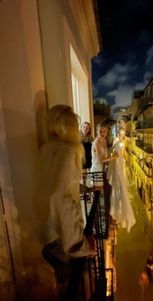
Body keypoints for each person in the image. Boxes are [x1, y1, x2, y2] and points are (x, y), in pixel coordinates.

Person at [34, 104, 95, 298]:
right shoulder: (68, 152)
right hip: (62, 243)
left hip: (48, 235)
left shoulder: (46, 149)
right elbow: (61, 198)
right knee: (78, 291)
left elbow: (52, 188)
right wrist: (78, 245)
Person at [107, 128, 136, 232]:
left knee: (119, 185)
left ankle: (118, 211)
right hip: (117, 164)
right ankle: (117, 211)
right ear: (119, 133)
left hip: (118, 164)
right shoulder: (117, 141)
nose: (122, 135)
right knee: (118, 185)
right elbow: (116, 152)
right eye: (121, 133)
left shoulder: (119, 142)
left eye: (123, 133)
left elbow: (117, 153)